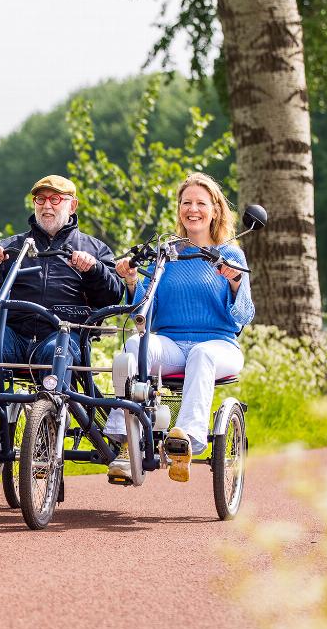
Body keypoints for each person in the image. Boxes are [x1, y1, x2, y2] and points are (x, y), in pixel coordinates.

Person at [0, 174, 124, 453]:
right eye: (40, 199)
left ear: (72, 205)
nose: (46, 205)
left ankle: (48, 427)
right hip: (13, 334)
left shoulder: (94, 249)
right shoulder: (14, 246)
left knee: (56, 351)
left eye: (55, 199)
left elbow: (112, 295)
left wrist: (94, 270)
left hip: (61, 336)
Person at [105, 171, 255, 482]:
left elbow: (244, 315)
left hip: (220, 345)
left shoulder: (230, 254)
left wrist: (235, 282)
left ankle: (187, 438)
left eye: (201, 203)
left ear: (215, 209)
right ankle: (125, 438)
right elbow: (145, 309)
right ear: (179, 209)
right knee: (134, 345)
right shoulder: (167, 254)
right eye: (186, 202)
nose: (193, 209)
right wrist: (131, 281)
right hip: (171, 344)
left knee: (202, 354)